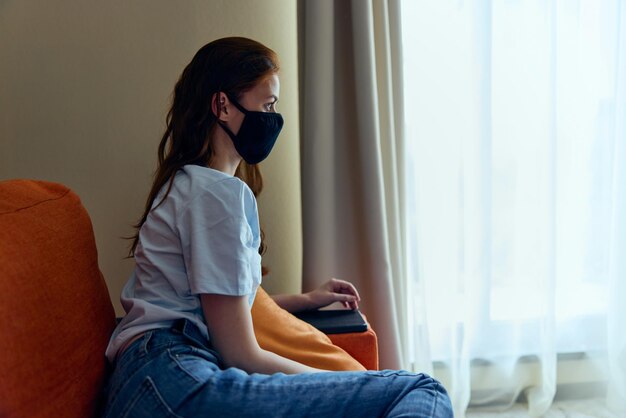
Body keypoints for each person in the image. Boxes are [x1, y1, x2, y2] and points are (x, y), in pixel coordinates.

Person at [103, 36, 452, 418]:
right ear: (223, 105)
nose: (272, 118)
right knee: (422, 388)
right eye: (267, 105)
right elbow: (239, 352)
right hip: (177, 379)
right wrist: (340, 385)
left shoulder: (186, 185)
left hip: (143, 385)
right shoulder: (216, 194)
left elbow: (216, 305)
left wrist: (303, 301)